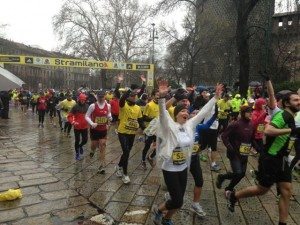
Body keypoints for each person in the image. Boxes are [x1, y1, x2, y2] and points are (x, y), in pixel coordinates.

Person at [153, 79, 223, 225]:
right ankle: (159, 210)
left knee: (178, 201)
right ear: (176, 114)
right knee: (178, 200)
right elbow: (162, 114)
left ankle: (167, 219)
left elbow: (203, 112)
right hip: (170, 168)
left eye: (187, 111)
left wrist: (215, 98)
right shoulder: (169, 127)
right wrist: (161, 98)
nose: (186, 113)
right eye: (182, 111)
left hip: (183, 168)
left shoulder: (190, 125)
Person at [227, 92, 300, 225]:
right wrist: (291, 131)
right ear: (287, 103)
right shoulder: (284, 115)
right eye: (296, 100)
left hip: (282, 159)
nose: (299, 102)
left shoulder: (292, 116)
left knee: (287, 190)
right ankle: (234, 196)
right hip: (271, 159)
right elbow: (268, 131)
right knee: (262, 190)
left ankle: (282, 223)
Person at [216, 105, 255, 197]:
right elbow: (224, 136)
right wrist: (230, 148)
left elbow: (252, 139)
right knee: (237, 172)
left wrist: (259, 148)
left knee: (241, 174)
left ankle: (227, 185)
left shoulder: (251, 124)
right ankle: (224, 180)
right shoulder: (235, 124)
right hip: (234, 153)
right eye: (248, 112)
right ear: (243, 113)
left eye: (251, 112)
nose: (251, 114)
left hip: (244, 154)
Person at [115, 75, 146, 184]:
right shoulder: (123, 105)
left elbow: (141, 121)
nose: (134, 97)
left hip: (132, 133)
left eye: (135, 96)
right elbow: (122, 98)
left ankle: (118, 166)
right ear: (128, 97)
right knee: (126, 152)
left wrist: (146, 130)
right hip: (122, 132)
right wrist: (123, 87)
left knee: (126, 152)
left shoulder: (137, 108)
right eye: (132, 96)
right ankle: (125, 174)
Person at [85, 90, 112, 174]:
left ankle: (101, 166)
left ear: (104, 97)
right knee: (94, 145)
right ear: (97, 97)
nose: (101, 98)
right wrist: (92, 123)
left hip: (103, 129)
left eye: (102, 97)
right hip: (94, 130)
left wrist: (110, 117)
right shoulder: (92, 106)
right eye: (99, 97)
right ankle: (92, 151)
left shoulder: (108, 105)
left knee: (102, 146)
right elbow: (86, 116)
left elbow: (108, 114)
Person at [141, 89, 159, 169]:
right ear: (153, 96)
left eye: (159, 95)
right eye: (157, 95)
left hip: (158, 130)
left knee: (159, 146)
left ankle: (150, 157)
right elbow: (144, 118)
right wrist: (153, 119)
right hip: (150, 130)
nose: (158, 96)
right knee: (147, 146)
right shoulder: (149, 105)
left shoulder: (162, 105)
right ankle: (143, 160)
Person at [68, 93, 89, 160]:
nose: (82, 101)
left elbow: (90, 116)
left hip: (85, 127)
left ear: (85, 100)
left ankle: (80, 146)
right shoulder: (75, 107)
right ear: (79, 99)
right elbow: (70, 116)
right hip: (77, 127)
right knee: (77, 140)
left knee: (85, 140)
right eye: (81, 100)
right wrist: (73, 122)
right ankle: (77, 154)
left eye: (83, 100)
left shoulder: (87, 106)